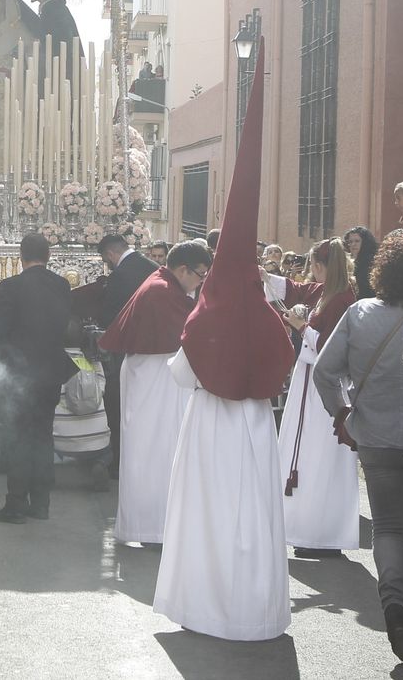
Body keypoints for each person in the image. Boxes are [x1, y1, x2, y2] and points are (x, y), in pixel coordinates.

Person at [154, 47, 295, 642]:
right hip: (256, 424)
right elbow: (280, 370)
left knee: (209, 517)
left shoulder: (206, 313)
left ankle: (208, 608)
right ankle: (253, 612)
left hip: (211, 424)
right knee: (254, 519)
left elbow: (183, 375)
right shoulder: (267, 315)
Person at [314, 233, 403, 664]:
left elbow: (324, 374)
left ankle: (394, 605)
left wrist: (342, 414)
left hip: (373, 434)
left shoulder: (359, 313)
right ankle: (400, 603)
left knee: (387, 525)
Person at [99, 239, 209, 546]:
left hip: (157, 377)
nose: (201, 282)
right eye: (200, 275)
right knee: (155, 451)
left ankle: (157, 526)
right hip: (154, 379)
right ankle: (154, 528)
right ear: (183, 269)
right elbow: (190, 331)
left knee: (159, 451)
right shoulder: (162, 292)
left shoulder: (165, 284)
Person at [274, 237, 360, 555]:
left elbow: (331, 346)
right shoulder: (327, 292)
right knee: (309, 453)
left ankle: (323, 535)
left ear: (323, 265)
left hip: (325, 385)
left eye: (313, 265)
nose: (310, 271)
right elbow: (294, 291)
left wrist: (300, 326)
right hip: (309, 382)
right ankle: (305, 529)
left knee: (323, 454)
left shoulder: (342, 298)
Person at [0, 233, 75, 525]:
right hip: (51, 372)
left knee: (19, 438)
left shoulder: (11, 286)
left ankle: (15, 504)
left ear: (20, 256)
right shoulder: (62, 285)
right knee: (43, 435)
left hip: (20, 375)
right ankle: (41, 503)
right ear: (48, 256)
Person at [96, 233, 156, 479]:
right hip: (153, 349)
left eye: (105, 258)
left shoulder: (120, 276)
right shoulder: (151, 267)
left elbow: (110, 317)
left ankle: (120, 460)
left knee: (119, 404)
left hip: (127, 350)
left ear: (110, 254)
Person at [342, 226, 379, 306]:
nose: (353, 244)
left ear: (365, 242)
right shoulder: (348, 262)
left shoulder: (371, 262)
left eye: (357, 241)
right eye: (350, 242)